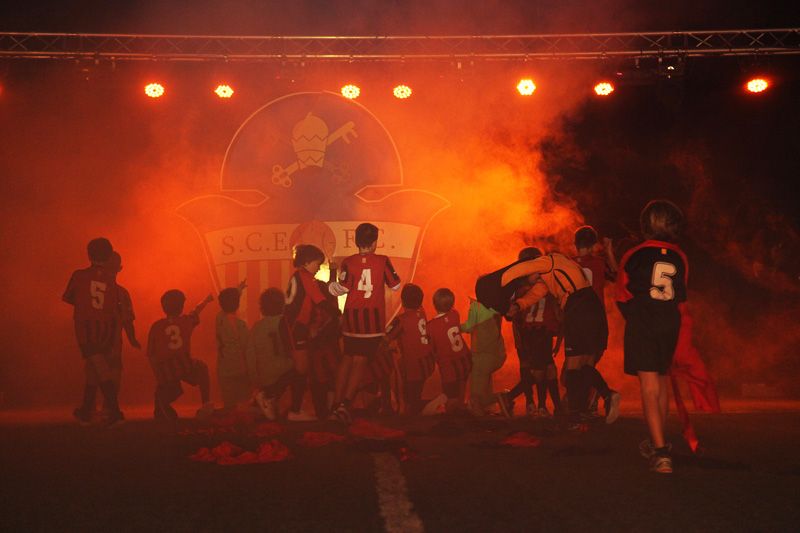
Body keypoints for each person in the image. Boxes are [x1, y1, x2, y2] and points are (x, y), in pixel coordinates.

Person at [475, 249, 620, 426]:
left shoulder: (546, 262)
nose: (530, 282)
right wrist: (518, 305)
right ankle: (606, 396)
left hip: (577, 307)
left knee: (572, 368)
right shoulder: (555, 270)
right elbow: (537, 292)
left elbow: (514, 272)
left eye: (529, 277)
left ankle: (575, 417)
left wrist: (499, 295)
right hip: (592, 306)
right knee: (585, 364)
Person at [615, 199, 688, 474]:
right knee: (662, 380)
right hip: (669, 322)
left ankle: (660, 453)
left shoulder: (634, 254)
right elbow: (681, 296)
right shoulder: (680, 256)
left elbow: (622, 293)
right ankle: (658, 440)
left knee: (649, 386)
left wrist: (635, 317)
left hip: (644, 321)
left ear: (646, 224)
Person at [328, 223, 401, 423]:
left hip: (351, 320)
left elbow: (341, 289)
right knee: (360, 361)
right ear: (375, 242)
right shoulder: (382, 261)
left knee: (347, 358)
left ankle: (335, 403)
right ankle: (344, 406)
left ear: (356, 241)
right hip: (372, 323)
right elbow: (396, 285)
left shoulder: (349, 262)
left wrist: (331, 285)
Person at [63, 237, 124, 426]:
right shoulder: (111, 281)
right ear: (109, 256)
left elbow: (70, 297)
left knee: (100, 369)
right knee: (94, 369)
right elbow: (113, 308)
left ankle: (115, 412)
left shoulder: (79, 275)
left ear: (89, 255)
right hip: (106, 329)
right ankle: (86, 410)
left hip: (86, 329)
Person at [499, 247, 562, 417]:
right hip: (535, 331)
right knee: (540, 368)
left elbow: (509, 314)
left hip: (529, 331)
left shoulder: (518, 285)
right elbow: (556, 310)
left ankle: (543, 405)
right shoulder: (543, 284)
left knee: (543, 367)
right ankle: (534, 404)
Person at [147, 290, 214, 421]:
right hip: (185, 364)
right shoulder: (186, 321)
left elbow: (151, 354)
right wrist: (206, 300)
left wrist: (159, 376)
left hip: (166, 368)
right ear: (181, 306)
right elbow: (196, 310)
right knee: (202, 368)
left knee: (171, 390)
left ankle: (161, 404)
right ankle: (206, 404)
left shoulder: (156, 326)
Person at [573, 226, 619, 416]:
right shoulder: (600, 263)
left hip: (576, 318)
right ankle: (595, 397)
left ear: (575, 244)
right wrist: (609, 251)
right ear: (593, 245)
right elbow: (617, 275)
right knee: (587, 365)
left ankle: (589, 401)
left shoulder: (568, 264)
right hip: (595, 318)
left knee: (573, 369)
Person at [283, 244, 330, 421]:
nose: (319, 268)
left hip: (296, 327)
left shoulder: (299, 276)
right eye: (317, 264)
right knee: (301, 369)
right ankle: (293, 410)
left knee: (300, 368)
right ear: (307, 262)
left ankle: (291, 407)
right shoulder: (305, 276)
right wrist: (338, 313)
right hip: (295, 327)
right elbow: (320, 300)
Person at [248, 288, 309, 421]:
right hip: (284, 373)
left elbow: (250, 358)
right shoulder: (287, 323)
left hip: (264, 378)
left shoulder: (256, 327)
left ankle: (265, 399)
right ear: (282, 304)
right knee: (302, 367)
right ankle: (295, 409)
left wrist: (256, 383)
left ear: (262, 307)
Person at [384, 284, 435, 415]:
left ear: (402, 301)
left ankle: (410, 414)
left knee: (409, 400)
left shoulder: (401, 320)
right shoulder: (422, 313)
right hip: (427, 363)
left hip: (413, 367)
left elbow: (385, 338)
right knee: (415, 395)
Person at [425, 288, 472, 414]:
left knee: (451, 400)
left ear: (434, 304)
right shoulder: (455, 314)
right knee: (461, 390)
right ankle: (460, 409)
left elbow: (431, 347)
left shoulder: (431, 326)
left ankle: (451, 414)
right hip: (465, 360)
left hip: (449, 367)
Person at [460, 297, 505, 416]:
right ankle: (496, 401)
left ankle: (498, 400)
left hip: (481, 356)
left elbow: (469, 327)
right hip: (496, 354)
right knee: (486, 384)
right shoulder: (496, 307)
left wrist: (455, 327)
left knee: (476, 393)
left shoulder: (476, 307)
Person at [215, 283, 250, 411]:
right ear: (238, 304)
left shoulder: (219, 320)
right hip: (240, 368)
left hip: (224, 368)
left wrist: (238, 291)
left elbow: (227, 303)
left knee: (229, 405)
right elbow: (247, 348)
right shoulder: (241, 326)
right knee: (243, 403)